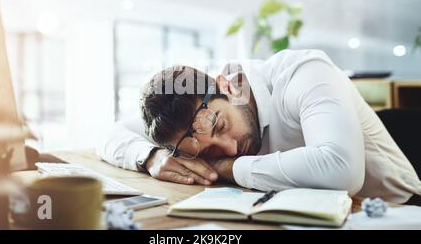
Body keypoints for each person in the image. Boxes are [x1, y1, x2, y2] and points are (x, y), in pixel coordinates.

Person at [99, 49, 421, 203]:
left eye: (221, 126)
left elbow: (342, 170)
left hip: (390, 212)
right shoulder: (189, 122)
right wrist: (152, 158)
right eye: (206, 150)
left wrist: (226, 167)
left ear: (227, 86)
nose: (226, 147)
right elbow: (107, 133)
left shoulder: (302, 73)